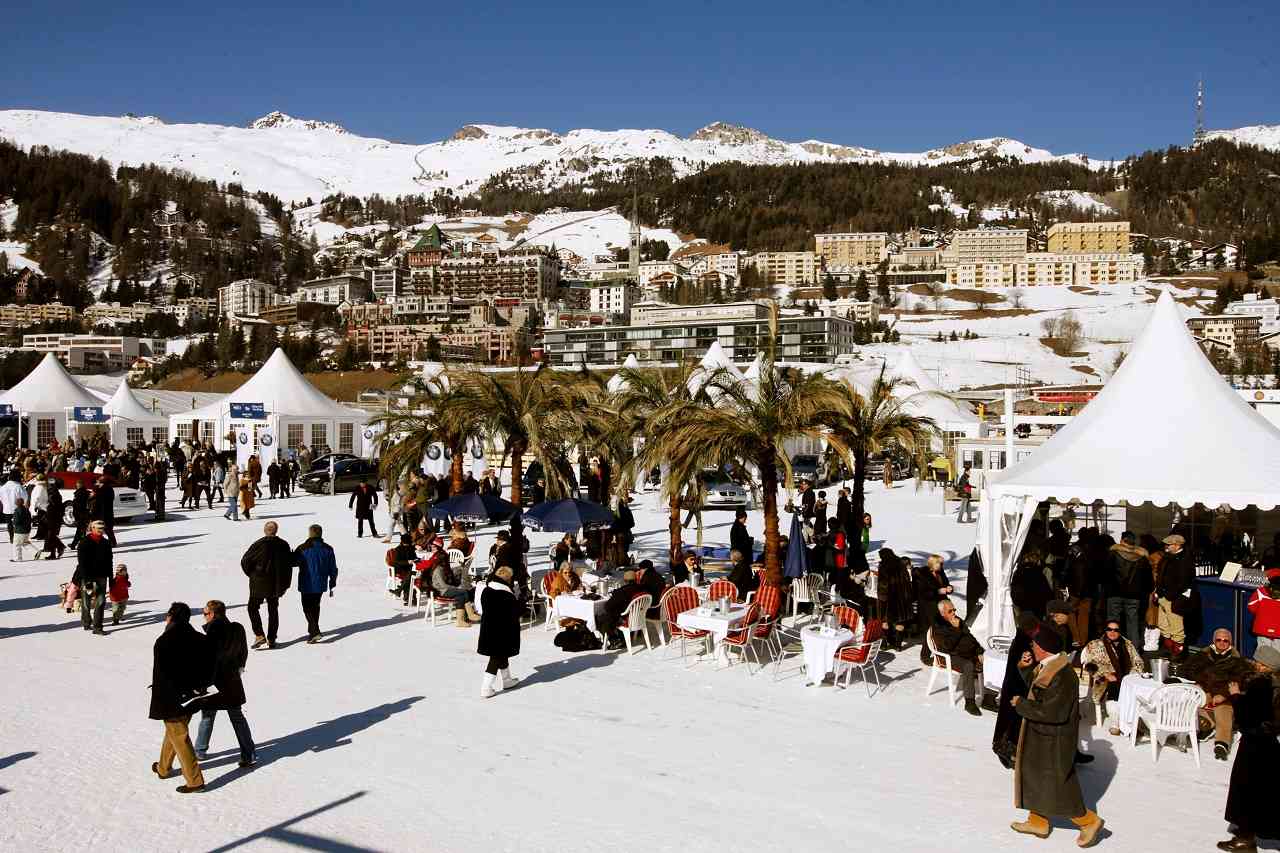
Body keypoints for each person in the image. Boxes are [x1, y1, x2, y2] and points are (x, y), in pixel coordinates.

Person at [1010, 627, 1104, 847]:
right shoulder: (1051, 666)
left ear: (1043, 648)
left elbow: (1052, 712)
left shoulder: (1063, 675)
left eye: (1034, 644)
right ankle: (1037, 821)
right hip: (1042, 736)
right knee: (1034, 776)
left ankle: (1089, 821)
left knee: (1057, 785)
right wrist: (1025, 669)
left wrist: (1021, 704)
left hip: (1054, 740)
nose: (1031, 647)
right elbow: (1040, 691)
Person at [1216, 645, 1280, 852]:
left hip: (1254, 745)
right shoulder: (1275, 685)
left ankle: (1245, 839)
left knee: (1246, 791)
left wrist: (1235, 696)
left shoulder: (1261, 685)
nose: (1253, 663)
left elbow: (1248, 716)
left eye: (1257, 661)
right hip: (1269, 745)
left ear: (1263, 666)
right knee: (1266, 793)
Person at [149, 602, 213, 794]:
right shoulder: (200, 638)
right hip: (192, 696)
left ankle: (195, 781)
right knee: (175, 732)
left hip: (171, 697)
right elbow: (209, 667)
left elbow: (161, 674)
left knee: (179, 735)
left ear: (171, 617)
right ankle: (163, 768)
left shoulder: (164, 641)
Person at [193, 600, 255, 768]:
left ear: (212, 614)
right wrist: (239, 670)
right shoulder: (237, 628)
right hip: (232, 681)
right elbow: (243, 653)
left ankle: (199, 751)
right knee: (237, 717)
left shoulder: (213, 630)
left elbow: (208, 659)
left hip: (214, 682)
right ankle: (248, 753)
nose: (204, 617)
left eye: (205, 614)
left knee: (207, 716)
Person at [1182, 628, 1247, 762]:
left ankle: (1221, 744)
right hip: (1205, 690)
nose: (1222, 643)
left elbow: (1238, 680)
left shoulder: (1237, 661)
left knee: (1224, 710)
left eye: (1226, 640)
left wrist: (1223, 694)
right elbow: (1187, 669)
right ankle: (1204, 725)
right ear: (1213, 641)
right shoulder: (1203, 655)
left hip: (1224, 695)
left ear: (1230, 642)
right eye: (1219, 640)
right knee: (1194, 703)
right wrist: (1200, 683)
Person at [1080, 619, 1145, 735]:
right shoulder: (1094, 645)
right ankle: (1116, 723)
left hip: (1127, 677)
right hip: (1105, 679)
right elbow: (1088, 664)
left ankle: (1131, 723)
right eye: (1109, 629)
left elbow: (1138, 661)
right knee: (1114, 688)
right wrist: (1104, 674)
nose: (1112, 632)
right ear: (1105, 630)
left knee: (1137, 691)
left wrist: (1134, 673)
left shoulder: (1127, 644)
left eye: (1116, 630)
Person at [993, 614, 1040, 769]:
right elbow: (1022, 666)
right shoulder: (1024, 644)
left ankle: (1007, 751)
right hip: (1017, 687)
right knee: (1012, 722)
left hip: (1013, 686)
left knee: (1009, 721)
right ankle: (1006, 751)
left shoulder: (1021, 640)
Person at [240, 521, 294, 649]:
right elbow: (288, 565)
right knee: (273, 609)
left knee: (252, 608)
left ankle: (259, 635)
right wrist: (285, 583)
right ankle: (271, 638)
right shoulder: (283, 544)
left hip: (259, 582)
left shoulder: (259, 544)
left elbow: (245, 561)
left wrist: (252, 574)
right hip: (276, 583)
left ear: (265, 531)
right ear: (276, 531)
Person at [930, 598, 984, 716]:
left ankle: (992, 694)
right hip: (949, 656)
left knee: (987, 658)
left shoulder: (957, 620)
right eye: (950, 611)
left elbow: (970, 637)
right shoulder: (939, 626)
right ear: (942, 613)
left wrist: (979, 651)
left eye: (954, 609)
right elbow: (947, 647)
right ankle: (969, 702)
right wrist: (955, 629)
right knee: (968, 665)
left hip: (965, 653)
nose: (954, 612)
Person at [1104, 531, 1151, 652]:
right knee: (1133, 623)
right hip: (1134, 595)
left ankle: (1112, 647)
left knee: (1113, 622)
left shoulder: (1113, 554)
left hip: (1114, 593)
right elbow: (1147, 578)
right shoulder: (1142, 557)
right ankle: (1134, 649)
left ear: (1122, 540)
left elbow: (1106, 574)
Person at [479, 565, 521, 698]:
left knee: (501, 654)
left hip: (489, 629)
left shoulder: (487, 590)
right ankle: (486, 687)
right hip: (503, 630)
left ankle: (507, 680)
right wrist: (520, 599)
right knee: (496, 657)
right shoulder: (506, 594)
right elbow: (515, 612)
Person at [294, 524, 338, 644]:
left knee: (307, 607)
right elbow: (333, 567)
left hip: (306, 582)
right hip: (320, 582)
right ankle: (312, 631)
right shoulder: (328, 548)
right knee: (315, 606)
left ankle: (315, 631)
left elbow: (294, 562)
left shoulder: (303, 548)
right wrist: (332, 581)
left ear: (310, 533)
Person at [1156, 533, 1194, 658]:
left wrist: (1172, 595)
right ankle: (1168, 648)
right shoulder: (1167, 557)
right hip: (1163, 596)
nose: (1166, 546)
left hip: (1174, 598)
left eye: (1169, 544)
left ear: (1177, 545)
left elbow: (1184, 582)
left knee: (1176, 627)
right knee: (1163, 625)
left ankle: (1177, 653)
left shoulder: (1185, 559)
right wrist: (1158, 591)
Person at [72, 520, 112, 634]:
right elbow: (82, 563)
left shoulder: (106, 543)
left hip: (102, 576)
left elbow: (109, 560)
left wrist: (111, 578)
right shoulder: (84, 542)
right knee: (86, 601)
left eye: (102, 528)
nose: (101, 530)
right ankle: (86, 621)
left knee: (101, 601)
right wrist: (87, 579)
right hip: (88, 577)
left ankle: (97, 627)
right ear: (92, 528)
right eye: (98, 528)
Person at [876, 548, 914, 650]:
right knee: (900, 621)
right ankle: (898, 645)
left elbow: (883, 584)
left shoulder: (884, 565)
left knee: (885, 621)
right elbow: (907, 581)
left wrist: (882, 597)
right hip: (902, 598)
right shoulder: (901, 564)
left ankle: (884, 644)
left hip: (889, 598)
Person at [913, 553, 953, 642]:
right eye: (940, 563)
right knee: (931, 630)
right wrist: (938, 591)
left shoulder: (940, 572)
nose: (942, 565)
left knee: (941, 628)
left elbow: (946, 583)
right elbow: (922, 593)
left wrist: (949, 588)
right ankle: (926, 654)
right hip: (928, 606)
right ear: (933, 563)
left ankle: (940, 649)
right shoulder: (922, 574)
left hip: (941, 604)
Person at [1010, 549, 1053, 627]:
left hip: (1023, 607)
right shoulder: (1039, 574)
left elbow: (1014, 590)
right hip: (1038, 608)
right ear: (1036, 561)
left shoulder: (1018, 573)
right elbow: (1047, 593)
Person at [1246, 569, 1280, 653]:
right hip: (1278, 630)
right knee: (1277, 654)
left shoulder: (1261, 591)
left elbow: (1251, 606)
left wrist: (1260, 613)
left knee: (1262, 653)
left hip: (1262, 628)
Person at [386, 533, 419, 606]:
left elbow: (414, 557)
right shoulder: (398, 549)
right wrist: (407, 562)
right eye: (406, 544)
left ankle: (400, 591)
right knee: (410, 577)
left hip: (409, 568)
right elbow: (397, 562)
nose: (407, 545)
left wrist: (415, 560)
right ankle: (410, 598)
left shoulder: (411, 548)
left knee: (410, 575)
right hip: (400, 568)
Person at [729, 509, 753, 574]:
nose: (745, 520)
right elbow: (739, 541)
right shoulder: (738, 527)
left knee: (740, 572)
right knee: (741, 572)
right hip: (740, 553)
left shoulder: (738, 526)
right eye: (745, 518)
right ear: (741, 517)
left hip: (739, 552)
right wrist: (748, 541)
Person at [10, 496, 31, 561]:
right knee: (25, 543)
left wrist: (13, 520)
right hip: (26, 530)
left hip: (19, 531)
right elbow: (30, 519)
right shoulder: (27, 510)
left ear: (17, 503)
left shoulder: (17, 511)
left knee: (17, 545)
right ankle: (36, 552)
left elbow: (16, 521)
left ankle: (17, 558)